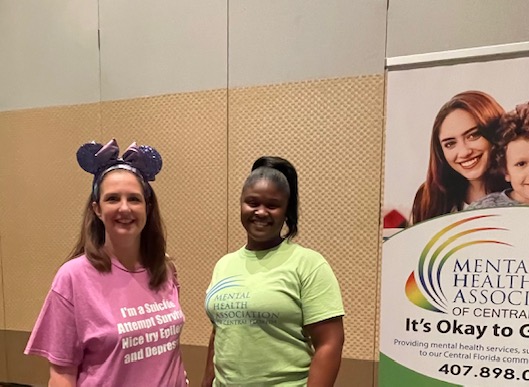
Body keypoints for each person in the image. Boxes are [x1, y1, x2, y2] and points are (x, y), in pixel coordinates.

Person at [24, 139, 187, 386]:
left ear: (148, 207)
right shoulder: (73, 278)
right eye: (112, 199)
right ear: (97, 209)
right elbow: (61, 376)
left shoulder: (164, 269)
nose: (124, 208)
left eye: (134, 199)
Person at [203, 156, 345, 387]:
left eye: (272, 205)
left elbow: (330, 342)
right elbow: (220, 332)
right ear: (241, 204)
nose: (260, 212)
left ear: (285, 210)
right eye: (252, 202)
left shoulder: (308, 264)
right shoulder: (224, 264)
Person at [411, 90, 508, 223]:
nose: (463, 152)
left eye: (473, 135)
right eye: (450, 144)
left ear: (496, 132)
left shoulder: (525, 189)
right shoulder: (429, 198)